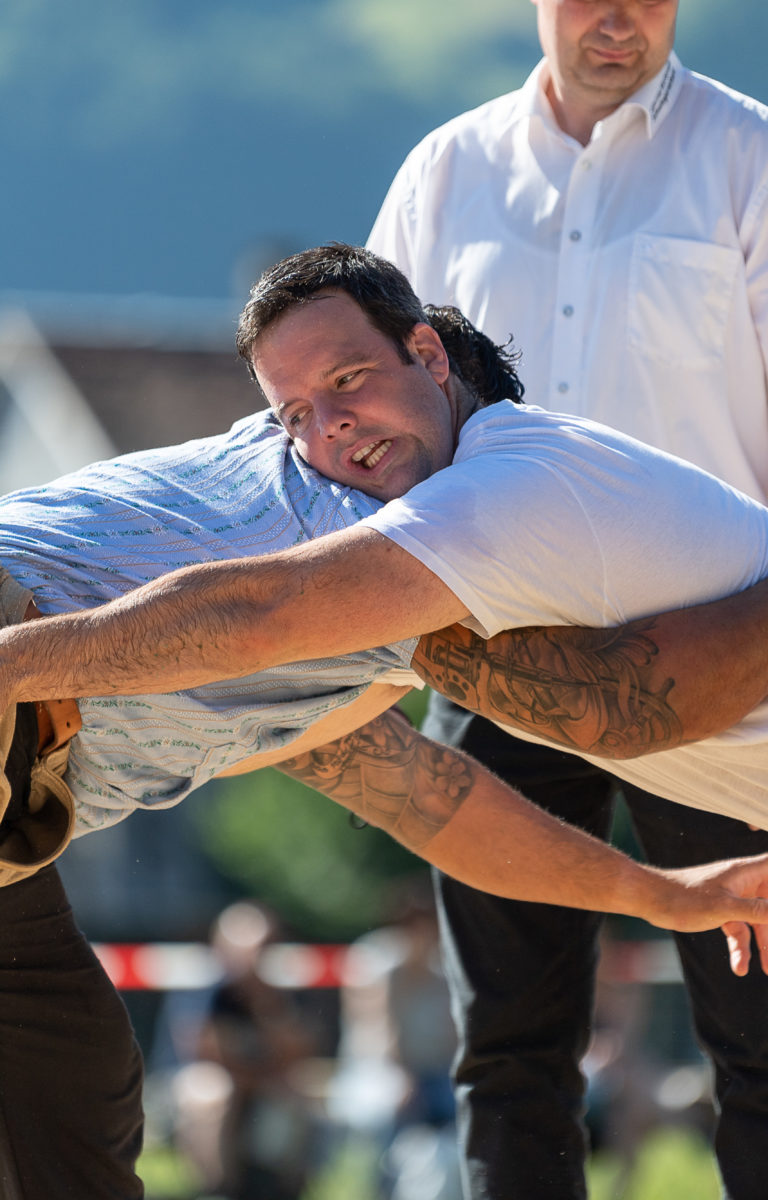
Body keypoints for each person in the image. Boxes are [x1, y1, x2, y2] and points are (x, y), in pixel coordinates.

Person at [5, 379, 763, 1199]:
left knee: (75, 1081)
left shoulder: (350, 642)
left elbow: (435, 801)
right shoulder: (345, 531)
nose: (331, 427)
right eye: (307, 409)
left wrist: (658, 894)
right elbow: (627, 704)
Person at [366, 1, 768, 1193]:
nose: (621, 15)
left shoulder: (750, 160)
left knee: (759, 1047)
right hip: (490, 655)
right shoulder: (446, 174)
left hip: (715, 666)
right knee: (507, 1054)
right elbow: (372, 418)